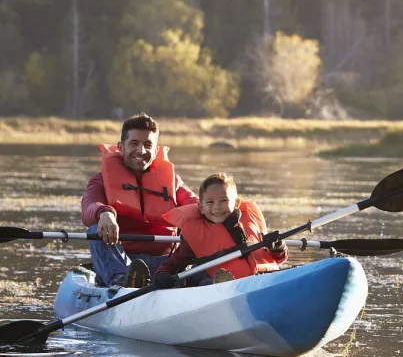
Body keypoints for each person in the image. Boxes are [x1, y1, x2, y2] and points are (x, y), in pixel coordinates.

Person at [81, 113, 198, 287]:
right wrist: (104, 213)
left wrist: (222, 212)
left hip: (164, 264)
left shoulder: (173, 182)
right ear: (121, 147)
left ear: (156, 150)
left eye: (148, 145)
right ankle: (123, 282)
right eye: (134, 144)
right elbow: (89, 206)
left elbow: (197, 205)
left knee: (204, 224)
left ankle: (207, 279)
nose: (141, 151)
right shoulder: (100, 180)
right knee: (94, 228)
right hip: (121, 262)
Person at [153, 172, 287, 289]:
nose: (217, 207)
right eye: (210, 202)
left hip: (262, 280)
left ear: (236, 203)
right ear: (201, 207)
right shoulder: (196, 234)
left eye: (223, 200)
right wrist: (162, 275)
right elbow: (175, 262)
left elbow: (280, 258)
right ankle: (220, 285)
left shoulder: (251, 222)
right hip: (218, 286)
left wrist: (278, 246)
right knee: (202, 280)